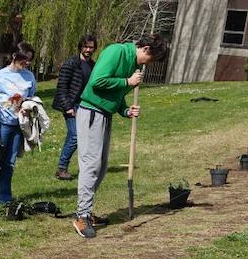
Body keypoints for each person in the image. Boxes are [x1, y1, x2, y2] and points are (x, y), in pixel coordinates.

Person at [71, 34, 168, 239]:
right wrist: (127, 80)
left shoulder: (134, 64)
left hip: (105, 114)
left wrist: (125, 110)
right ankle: (82, 215)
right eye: (150, 60)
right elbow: (98, 82)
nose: (148, 65)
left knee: (102, 165)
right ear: (146, 49)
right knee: (91, 164)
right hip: (91, 112)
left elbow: (117, 93)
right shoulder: (116, 52)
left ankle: (85, 210)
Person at [0, 42, 37, 209]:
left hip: (18, 125)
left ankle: (4, 199)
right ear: (15, 56)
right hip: (0, 124)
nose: (27, 63)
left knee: (9, 163)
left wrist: (29, 107)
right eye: (25, 59)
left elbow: (31, 98)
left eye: (30, 60)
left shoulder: (29, 77)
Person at [52, 36, 96, 180]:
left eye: (91, 47)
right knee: (75, 135)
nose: (88, 50)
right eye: (85, 47)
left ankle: (87, 167)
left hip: (84, 104)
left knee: (86, 137)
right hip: (70, 104)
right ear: (80, 47)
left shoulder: (93, 65)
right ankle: (61, 168)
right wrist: (68, 107)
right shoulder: (71, 64)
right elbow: (62, 87)